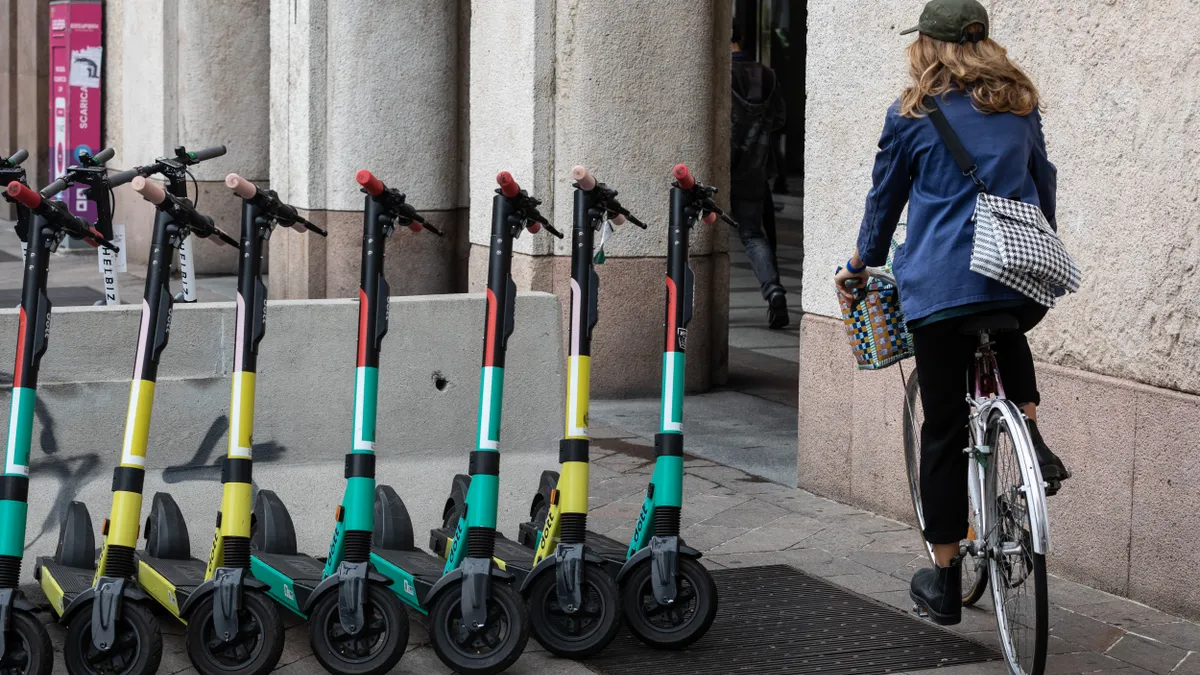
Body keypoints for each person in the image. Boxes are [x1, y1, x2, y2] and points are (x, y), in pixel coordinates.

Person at [833, 0, 1071, 626]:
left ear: (928, 47)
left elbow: (882, 206)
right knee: (1005, 318)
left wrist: (858, 265)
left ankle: (944, 581)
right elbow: (1043, 186)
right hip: (1016, 278)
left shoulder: (912, 114)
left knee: (943, 429)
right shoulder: (1019, 106)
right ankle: (1030, 432)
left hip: (941, 291)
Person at [731, 22, 789, 329]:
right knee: (753, 234)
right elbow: (779, 118)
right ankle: (774, 291)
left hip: (718, 169)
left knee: (693, 236)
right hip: (754, 170)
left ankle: (687, 309)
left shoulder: (719, 72)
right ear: (741, 37)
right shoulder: (767, 75)